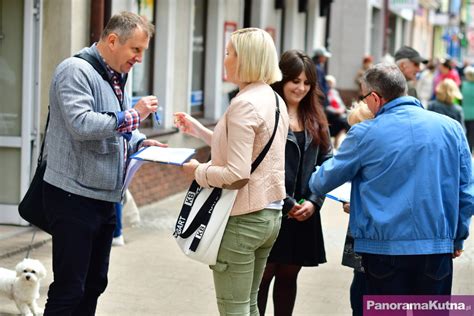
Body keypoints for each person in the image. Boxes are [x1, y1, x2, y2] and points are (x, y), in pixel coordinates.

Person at [309, 63, 472, 297]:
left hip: (383, 251)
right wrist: (458, 236)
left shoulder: (365, 133)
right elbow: (466, 191)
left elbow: (321, 182)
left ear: (375, 97)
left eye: (365, 99)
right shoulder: (451, 129)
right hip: (436, 247)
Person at [42, 12, 166, 315]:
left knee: (95, 283)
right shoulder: (74, 70)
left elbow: (118, 124)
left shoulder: (114, 75)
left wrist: (139, 142)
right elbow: (81, 124)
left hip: (104, 199)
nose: (139, 58)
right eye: (135, 50)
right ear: (112, 40)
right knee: (69, 289)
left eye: (142, 52)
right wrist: (134, 114)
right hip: (73, 197)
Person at [174, 28, 289, 315]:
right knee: (249, 304)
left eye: (228, 53)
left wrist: (197, 171)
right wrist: (200, 131)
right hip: (269, 214)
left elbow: (237, 173)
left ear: (245, 59)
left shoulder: (244, 104)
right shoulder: (273, 99)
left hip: (242, 219)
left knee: (234, 309)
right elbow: (246, 149)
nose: (224, 60)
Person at [257, 50, 332, 316]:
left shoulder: (315, 116)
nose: (300, 88)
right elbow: (261, 164)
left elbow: (328, 163)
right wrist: (287, 203)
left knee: (289, 277)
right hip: (270, 208)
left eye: (307, 82)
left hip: (304, 212)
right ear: (282, 79)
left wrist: (314, 201)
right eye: (295, 80)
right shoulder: (267, 112)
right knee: (262, 278)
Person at [461, 65, 474, 151]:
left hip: (463, 112)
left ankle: (464, 149)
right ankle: (470, 150)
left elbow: (457, 100)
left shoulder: (462, 85)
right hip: (473, 114)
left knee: (463, 133)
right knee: (471, 134)